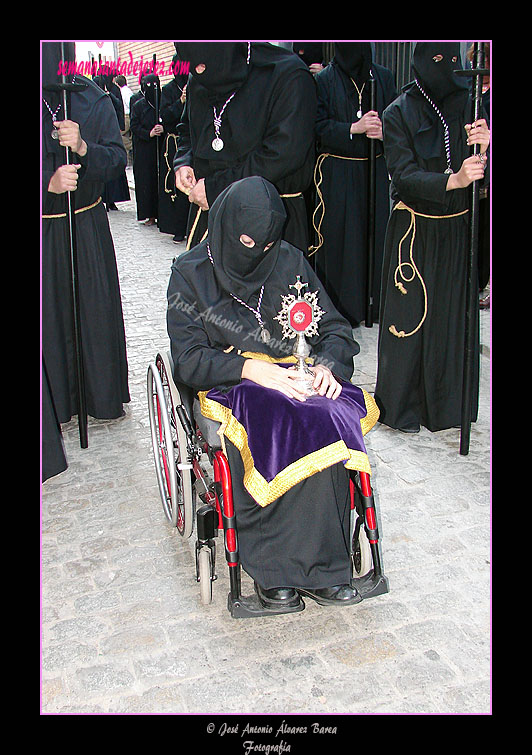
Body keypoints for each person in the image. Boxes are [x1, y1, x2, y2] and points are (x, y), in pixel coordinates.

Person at [167, 176, 380, 610]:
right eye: (246, 242)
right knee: (280, 422)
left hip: (296, 374)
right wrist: (251, 369)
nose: (257, 254)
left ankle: (327, 565)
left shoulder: (288, 261)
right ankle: (275, 569)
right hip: (236, 384)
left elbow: (336, 330)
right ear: (225, 224)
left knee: (328, 418)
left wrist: (327, 367)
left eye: (265, 246)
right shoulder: (189, 274)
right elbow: (188, 359)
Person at [374, 42, 490, 433]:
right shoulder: (398, 112)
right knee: (412, 319)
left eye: (452, 59)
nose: (447, 68)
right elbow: (402, 176)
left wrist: (485, 148)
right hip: (415, 231)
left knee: (451, 317)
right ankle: (403, 406)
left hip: (459, 227)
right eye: (437, 60)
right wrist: (452, 179)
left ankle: (447, 406)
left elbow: (483, 178)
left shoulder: (471, 103)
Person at [41, 41, 130, 478]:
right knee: (51, 318)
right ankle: (57, 403)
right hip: (44, 227)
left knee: (93, 313)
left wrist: (84, 150)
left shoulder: (93, 97)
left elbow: (116, 159)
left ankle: (99, 396)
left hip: (87, 224)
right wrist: (47, 183)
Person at [173, 42, 317, 252]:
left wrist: (217, 188)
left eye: (204, 64)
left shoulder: (287, 75)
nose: (200, 72)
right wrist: (184, 162)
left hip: (268, 221)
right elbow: (187, 129)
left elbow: (283, 155)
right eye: (195, 66)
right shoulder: (201, 75)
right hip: (208, 215)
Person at [311, 42, 398, 326]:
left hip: (374, 169)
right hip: (338, 171)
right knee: (342, 240)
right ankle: (342, 310)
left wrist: (386, 131)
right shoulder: (324, 80)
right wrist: (353, 128)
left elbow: (398, 120)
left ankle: (372, 305)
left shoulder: (383, 77)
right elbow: (316, 127)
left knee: (372, 236)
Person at [158, 55, 189, 242]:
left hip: (192, 140)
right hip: (174, 142)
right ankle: (177, 227)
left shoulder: (197, 84)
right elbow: (166, 115)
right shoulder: (168, 90)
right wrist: (181, 102)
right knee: (174, 185)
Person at [93, 72, 130, 210]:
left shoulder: (114, 89)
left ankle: (112, 199)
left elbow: (119, 106)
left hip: (111, 128)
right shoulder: (95, 83)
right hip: (98, 130)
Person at [130, 73, 162, 226]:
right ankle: (149, 214)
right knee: (146, 181)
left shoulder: (163, 102)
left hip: (161, 147)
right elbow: (134, 126)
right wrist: (148, 133)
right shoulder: (139, 105)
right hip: (145, 148)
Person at [115, 74, 134, 160]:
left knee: (119, 135)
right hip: (127, 115)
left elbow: (129, 105)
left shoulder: (124, 92)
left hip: (126, 116)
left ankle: (131, 145)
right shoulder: (128, 91)